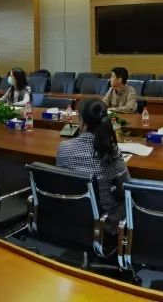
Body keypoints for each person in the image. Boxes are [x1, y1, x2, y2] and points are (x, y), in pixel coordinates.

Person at [57, 98, 131, 236]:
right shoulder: (111, 151)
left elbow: (63, 185)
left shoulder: (63, 148)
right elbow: (127, 187)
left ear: (81, 121)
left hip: (72, 215)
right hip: (105, 222)